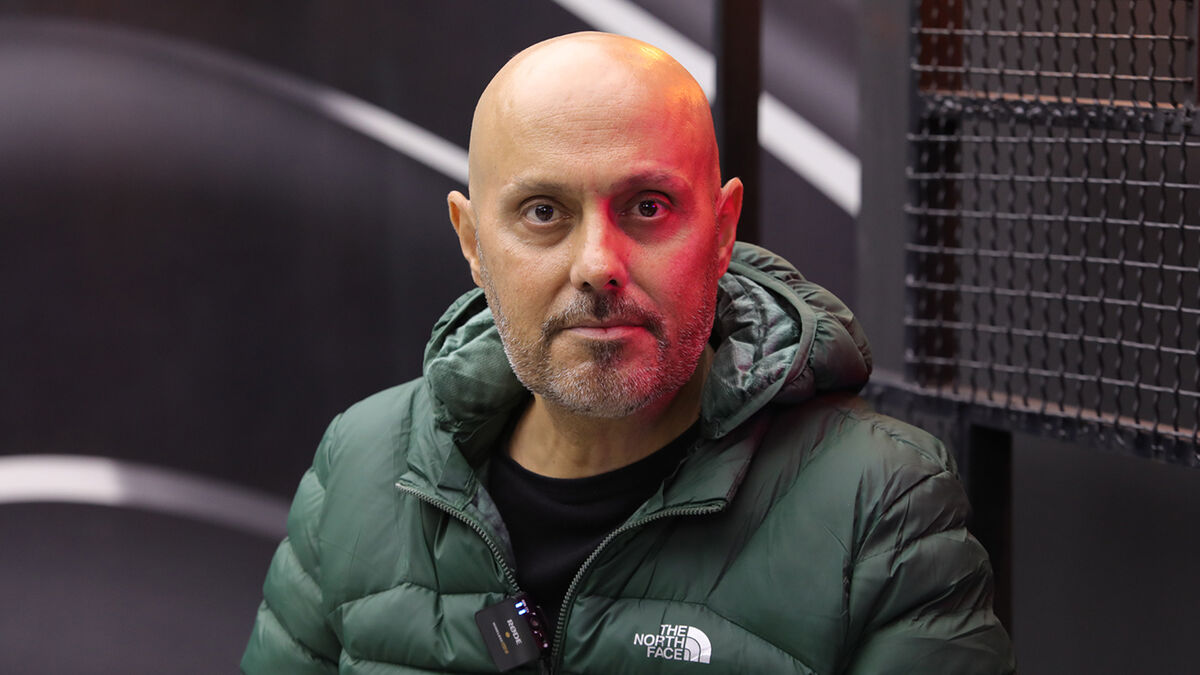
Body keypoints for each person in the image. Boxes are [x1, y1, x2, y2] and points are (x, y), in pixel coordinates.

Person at [242, 32, 1014, 673]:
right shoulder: (360, 467)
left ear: (722, 231)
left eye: (648, 206)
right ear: (472, 242)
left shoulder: (880, 505)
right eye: (543, 212)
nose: (597, 264)